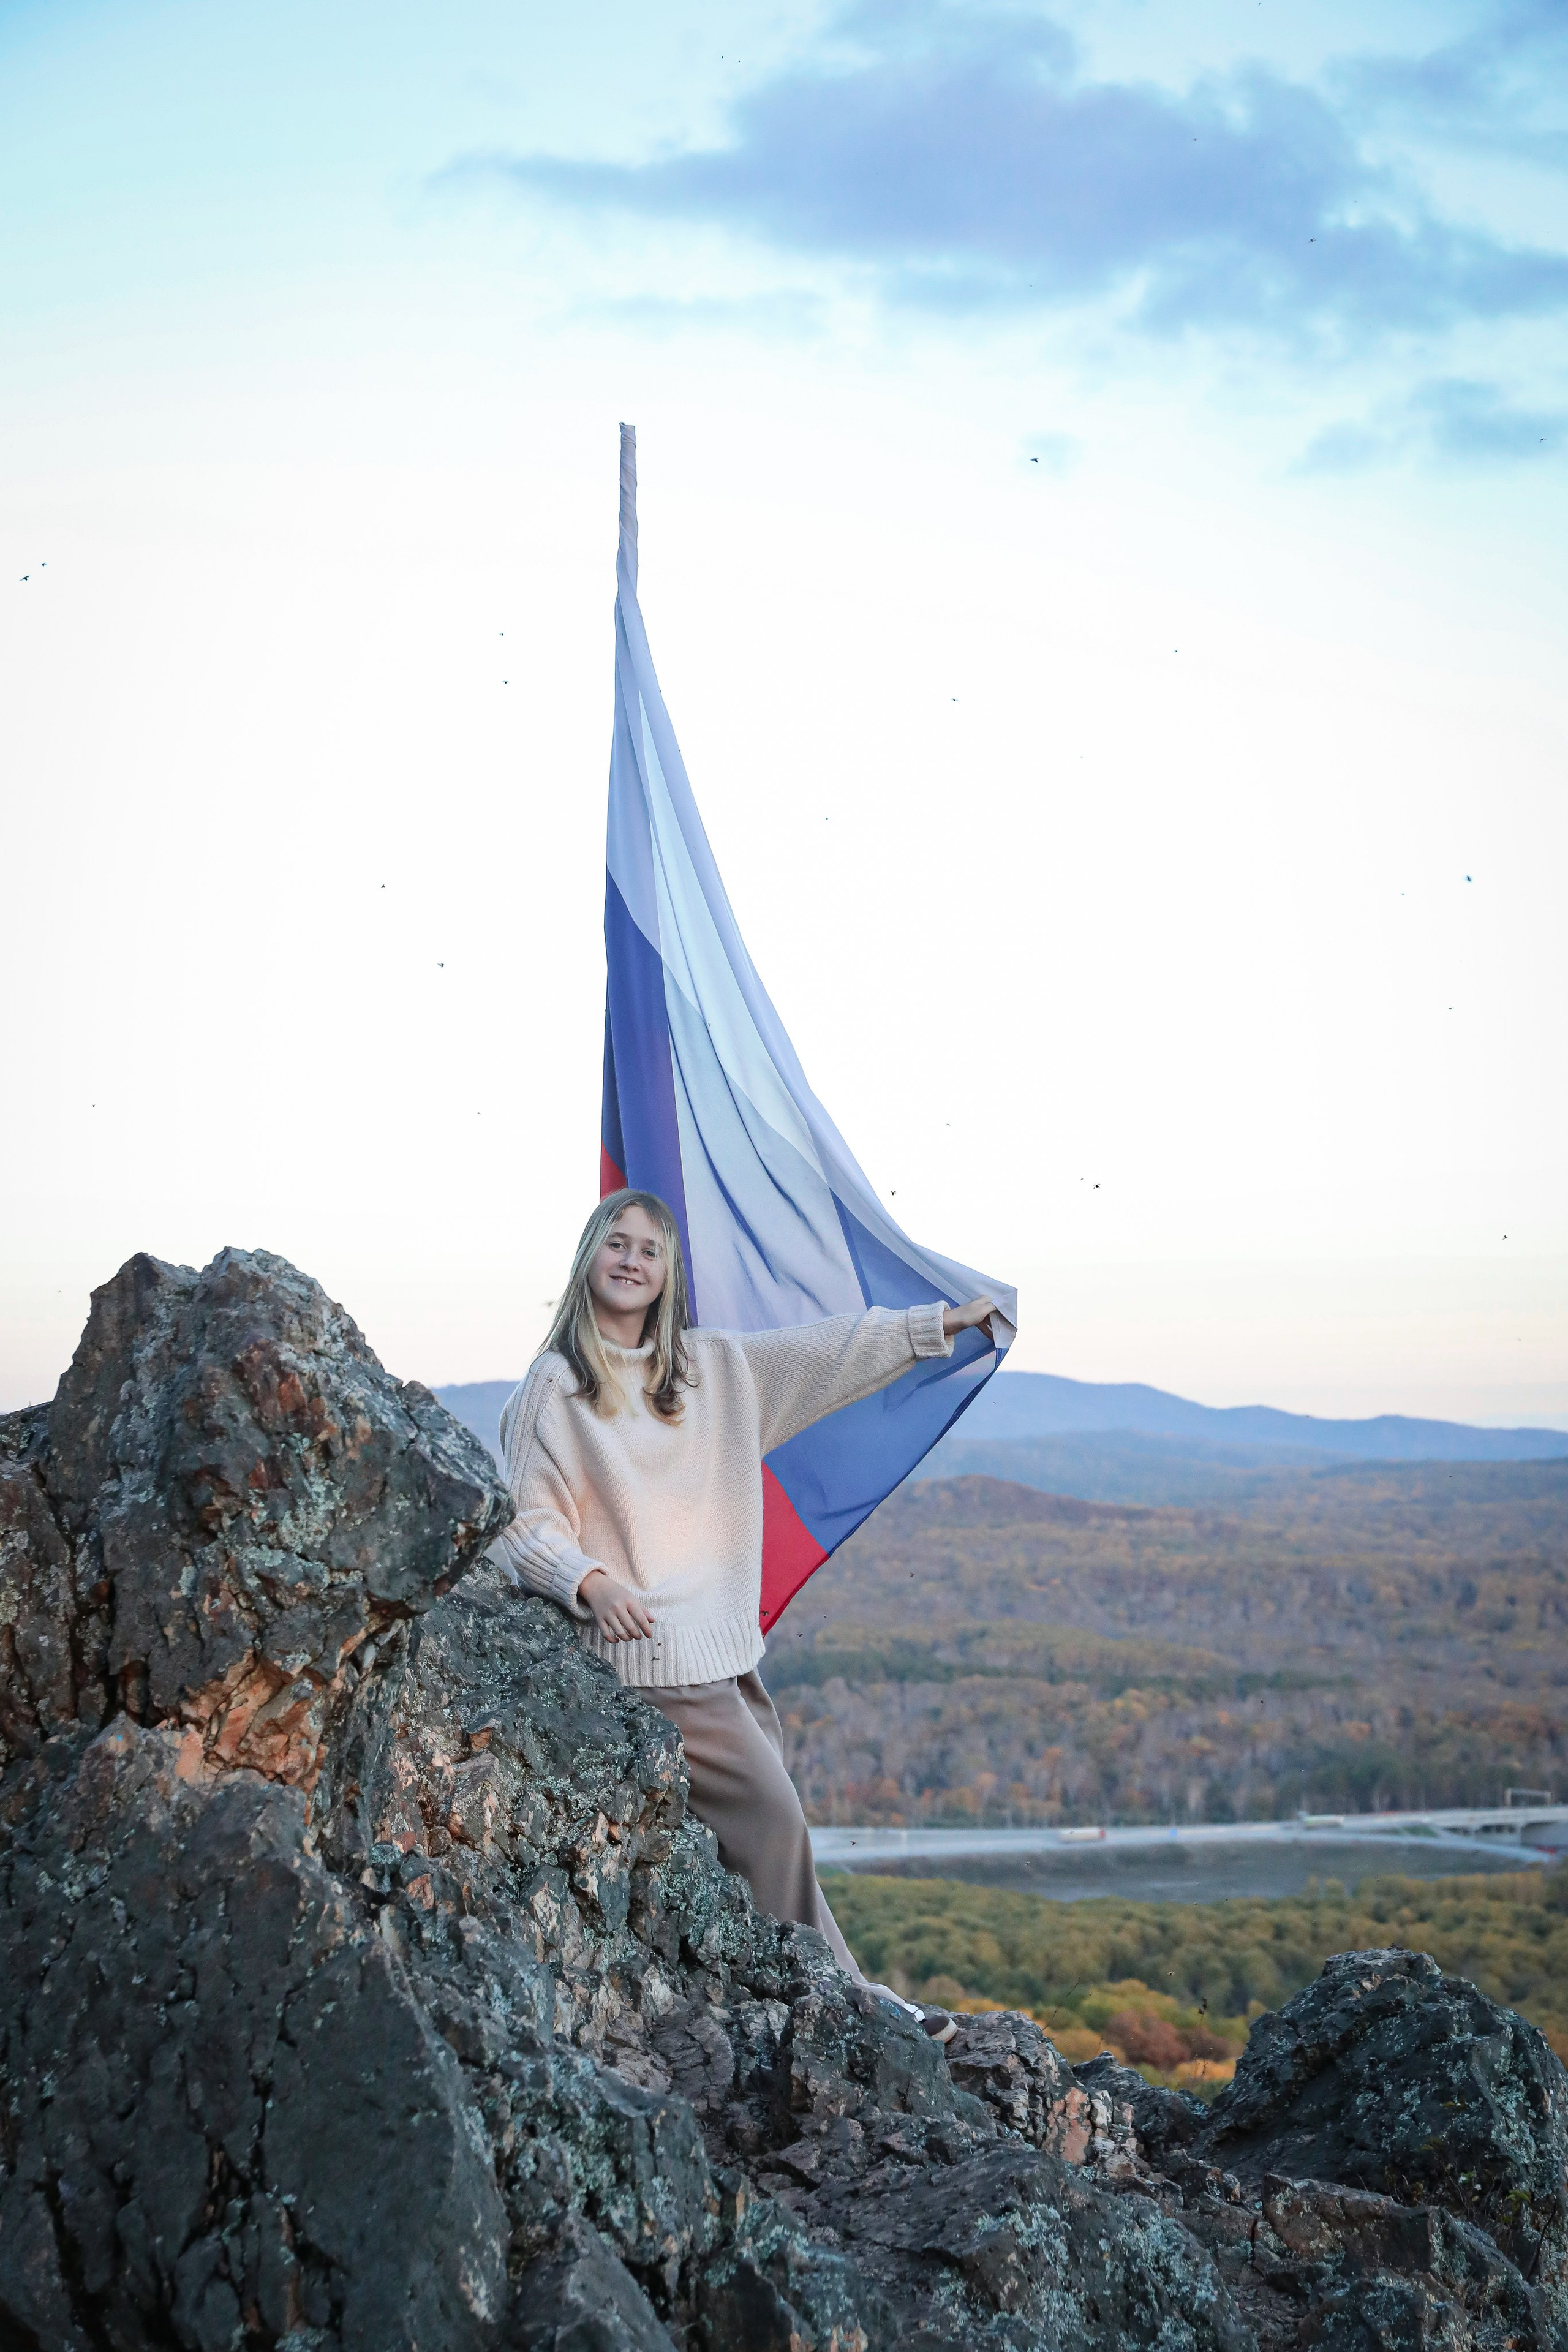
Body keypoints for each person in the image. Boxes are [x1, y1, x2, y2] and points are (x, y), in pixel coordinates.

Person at [489, 1188, 997, 2040]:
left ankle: (852, 2000)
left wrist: (934, 1327)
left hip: (721, 1658)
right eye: (616, 1244)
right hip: (651, 1671)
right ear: (589, 1259)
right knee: (777, 1828)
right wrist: (592, 1583)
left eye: (650, 1250)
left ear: (666, 1274)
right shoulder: (558, 1386)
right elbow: (524, 1523)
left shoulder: (712, 1371)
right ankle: (861, 2016)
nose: (631, 1261)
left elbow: (824, 1355)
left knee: (773, 1848)